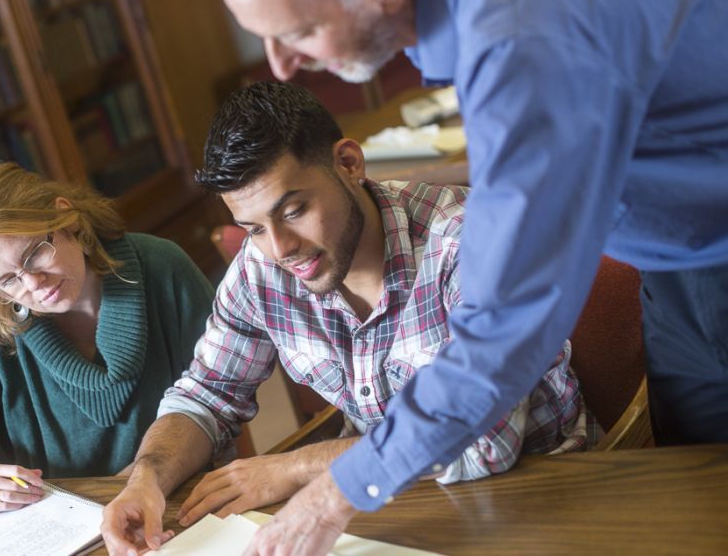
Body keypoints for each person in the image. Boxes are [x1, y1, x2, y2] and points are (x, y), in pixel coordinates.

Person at [213, 0, 728, 554]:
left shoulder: (517, 36)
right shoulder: (474, 27)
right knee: (705, 505)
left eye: (300, 31)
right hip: (679, 268)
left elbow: (504, 326)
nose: (281, 64)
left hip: (711, 255)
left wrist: (338, 490)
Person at [100, 81, 593, 555]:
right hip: (382, 504)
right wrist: (147, 477)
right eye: (252, 229)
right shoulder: (263, 266)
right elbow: (207, 394)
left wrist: (297, 468)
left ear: (348, 163)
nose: (281, 249)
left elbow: (484, 446)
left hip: (546, 490)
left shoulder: (468, 244)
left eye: (294, 210)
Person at [0, 162, 215, 516]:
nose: (33, 283)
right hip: (60, 525)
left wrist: (142, 481)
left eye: (34, 253)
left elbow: (219, 399)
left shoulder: (163, 268)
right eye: (8, 280)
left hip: (177, 499)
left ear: (67, 219)